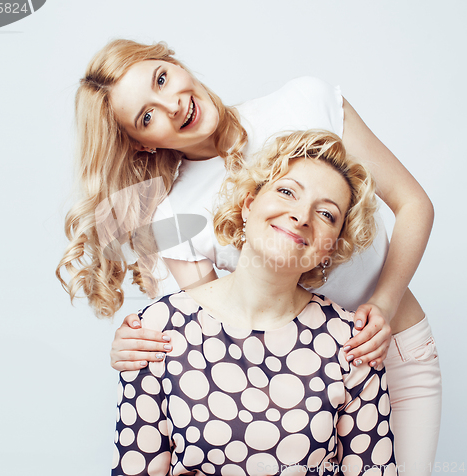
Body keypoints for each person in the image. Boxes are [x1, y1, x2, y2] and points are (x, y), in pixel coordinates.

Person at [56, 40, 440, 473]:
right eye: (146, 116)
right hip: (301, 383)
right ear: (140, 144)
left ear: (173, 61)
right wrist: (137, 344)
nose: (173, 106)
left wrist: (383, 307)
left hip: (398, 351)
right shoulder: (172, 214)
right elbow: (216, 337)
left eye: (162, 79)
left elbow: (414, 204)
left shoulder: (305, 100)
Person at [112, 130, 397, 476]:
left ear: (331, 247)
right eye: (287, 191)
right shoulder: (159, 330)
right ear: (249, 204)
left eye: (326, 214)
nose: (302, 216)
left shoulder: (353, 344)